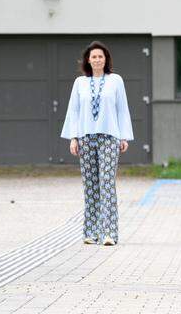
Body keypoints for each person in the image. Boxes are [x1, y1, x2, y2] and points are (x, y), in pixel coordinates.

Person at [61, 41, 134, 246]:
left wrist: (123, 136)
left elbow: (122, 109)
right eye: (93, 56)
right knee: (90, 185)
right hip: (85, 138)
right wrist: (73, 138)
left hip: (109, 137)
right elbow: (73, 111)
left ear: (106, 59)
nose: (97, 60)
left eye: (100, 56)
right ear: (88, 60)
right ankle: (91, 232)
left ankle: (109, 233)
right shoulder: (79, 83)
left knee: (107, 183)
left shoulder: (115, 80)